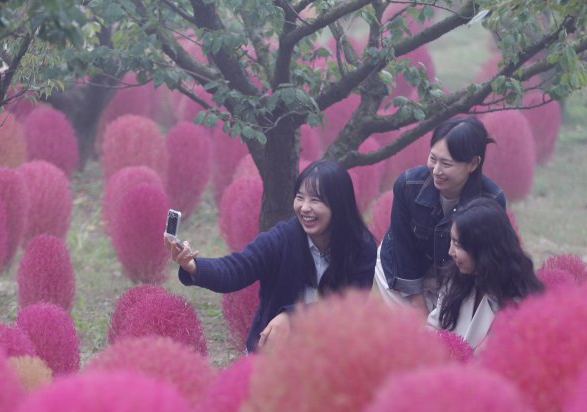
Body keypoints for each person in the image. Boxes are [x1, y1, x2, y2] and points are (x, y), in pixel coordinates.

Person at [164, 159, 377, 352]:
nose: (304, 208)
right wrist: (193, 265)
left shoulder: (361, 247)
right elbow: (236, 268)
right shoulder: (282, 239)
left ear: (339, 205)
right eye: (300, 198)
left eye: (315, 200)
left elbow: (348, 306)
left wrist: (293, 317)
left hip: (328, 355)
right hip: (271, 353)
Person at [375, 116, 507, 319]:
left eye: (446, 164)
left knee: (449, 333)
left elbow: (485, 262)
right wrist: (416, 303)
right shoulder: (408, 185)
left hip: (460, 276)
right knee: (414, 332)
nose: (436, 171)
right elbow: (403, 248)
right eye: (433, 158)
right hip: (403, 269)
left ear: (472, 164)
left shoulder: (491, 200)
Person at [427, 197, 544, 350]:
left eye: (457, 244)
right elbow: (434, 326)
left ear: (484, 251)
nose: (450, 252)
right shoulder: (456, 277)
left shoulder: (519, 303)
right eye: (452, 241)